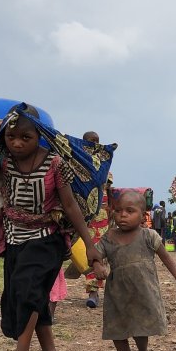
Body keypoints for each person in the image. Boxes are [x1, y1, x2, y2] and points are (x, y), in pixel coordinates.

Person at [0, 104, 100, 351]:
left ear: (39, 136)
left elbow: (69, 206)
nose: (17, 143)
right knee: (28, 297)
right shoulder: (3, 160)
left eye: (26, 137)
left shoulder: (55, 164)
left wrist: (90, 245)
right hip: (13, 239)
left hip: (47, 239)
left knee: (28, 293)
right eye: (11, 137)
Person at [92, 191, 176, 351]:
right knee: (116, 330)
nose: (123, 215)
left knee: (140, 327)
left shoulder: (148, 236)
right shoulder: (109, 237)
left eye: (130, 211)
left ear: (143, 214)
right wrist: (97, 265)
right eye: (118, 210)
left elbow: (166, 257)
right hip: (117, 294)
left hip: (143, 291)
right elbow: (95, 255)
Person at [81, 131, 112, 309]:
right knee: (85, 253)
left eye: (97, 141)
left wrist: (112, 211)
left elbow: (109, 192)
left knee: (99, 252)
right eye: (91, 141)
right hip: (83, 216)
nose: (95, 144)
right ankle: (93, 289)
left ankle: (95, 291)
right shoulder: (76, 163)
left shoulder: (104, 165)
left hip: (102, 217)